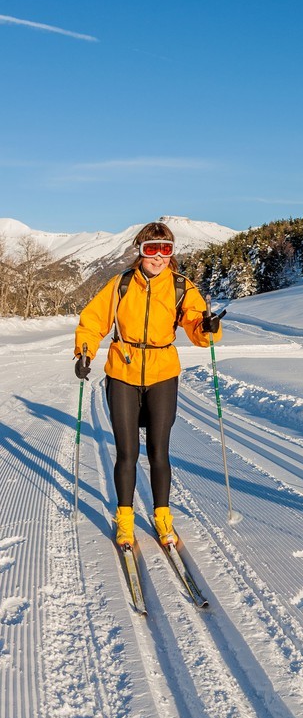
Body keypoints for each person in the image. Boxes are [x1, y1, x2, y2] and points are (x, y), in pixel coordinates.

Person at [73, 221, 223, 547]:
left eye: (165, 250)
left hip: (162, 373)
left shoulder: (182, 287)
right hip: (123, 372)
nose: (158, 258)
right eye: (151, 249)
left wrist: (207, 326)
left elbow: (197, 325)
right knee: (127, 452)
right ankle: (124, 520)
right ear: (140, 251)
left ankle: (162, 516)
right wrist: (84, 352)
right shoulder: (121, 284)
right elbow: (93, 321)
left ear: (172, 253)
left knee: (159, 452)